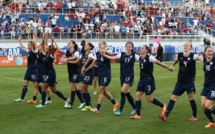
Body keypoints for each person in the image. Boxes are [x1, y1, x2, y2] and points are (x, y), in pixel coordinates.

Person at [158, 41, 202, 121]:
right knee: (173, 98)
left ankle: (195, 116)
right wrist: (172, 65)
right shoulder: (180, 55)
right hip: (180, 82)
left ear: (191, 48)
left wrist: (205, 60)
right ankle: (165, 116)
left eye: (187, 45)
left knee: (191, 99)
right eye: (184, 45)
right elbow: (177, 60)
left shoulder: (193, 56)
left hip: (189, 82)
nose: (185, 46)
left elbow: (201, 59)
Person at [130, 45, 173, 119]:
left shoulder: (150, 58)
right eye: (141, 48)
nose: (141, 49)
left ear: (146, 50)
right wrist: (130, 48)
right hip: (142, 80)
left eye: (142, 48)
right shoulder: (140, 58)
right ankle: (138, 115)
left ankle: (162, 105)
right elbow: (132, 54)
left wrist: (169, 68)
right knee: (137, 96)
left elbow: (160, 63)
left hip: (149, 80)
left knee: (148, 99)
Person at [102, 41, 138, 116]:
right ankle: (135, 107)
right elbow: (112, 57)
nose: (129, 47)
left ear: (132, 47)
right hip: (123, 76)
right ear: (125, 47)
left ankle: (120, 110)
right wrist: (104, 54)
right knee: (127, 93)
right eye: (127, 45)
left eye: (130, 46)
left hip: (129, 76)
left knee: (122, 91)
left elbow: (143, 59)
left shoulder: (135, 56)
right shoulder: (121, 54)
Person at [35, 37, 70, 108]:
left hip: (50, 74)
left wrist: (53, 42)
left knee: (43, 88)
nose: (46, 48)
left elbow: (53, 50)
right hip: (48, 73)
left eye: (48, 48)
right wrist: (45, 38)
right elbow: (42, 45)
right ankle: (66, 99)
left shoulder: (52, 55)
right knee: (54, 90)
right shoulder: (45, 55)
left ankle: (43, 104)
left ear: (51, 50)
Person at [90, 41, 119, 113]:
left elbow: (111, 54)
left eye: (101, 44)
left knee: (101, 91)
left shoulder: (107, 51)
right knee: (104, 91)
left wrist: (104, 51)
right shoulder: (97, 53)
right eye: (98, 44)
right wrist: (92, 66)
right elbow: (94, 62)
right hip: (100, 74)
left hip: (106, 74)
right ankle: (115, 103)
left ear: (105, 45)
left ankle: (97, 108)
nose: (99, 45)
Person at [56, 40, 85, 108]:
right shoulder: (67, 52)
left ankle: (71, 104)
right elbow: (59, 50)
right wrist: (54, 41)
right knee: (75, 88)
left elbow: (74, 58)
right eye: (67, 43)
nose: (68, 44)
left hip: (76, 72)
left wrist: (66, 59)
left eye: (69, 43)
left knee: (72, 87)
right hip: (70, 72)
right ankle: (82, 101)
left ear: (73, 45)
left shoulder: (76, 52)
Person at [14, 33, 39, 103]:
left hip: (34, 70)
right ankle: (22, 98)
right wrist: (19, 41)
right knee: (25, 83)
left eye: (29, 44)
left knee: (36, 85)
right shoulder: (28, 51)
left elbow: (34, 43)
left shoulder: (34, 51)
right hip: (29, 70)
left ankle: (43, 95)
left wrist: (35, 37)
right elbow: (22, 47)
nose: (28, 45)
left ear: (32, 45)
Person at [200, 46, 215, 128]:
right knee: (202, 105)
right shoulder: (205, 60)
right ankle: (212, 122)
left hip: (214, 86)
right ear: (205, 52)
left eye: (211, 51)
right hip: (206, 86)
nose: (210, 52)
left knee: (208, 105)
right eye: (208, 51)